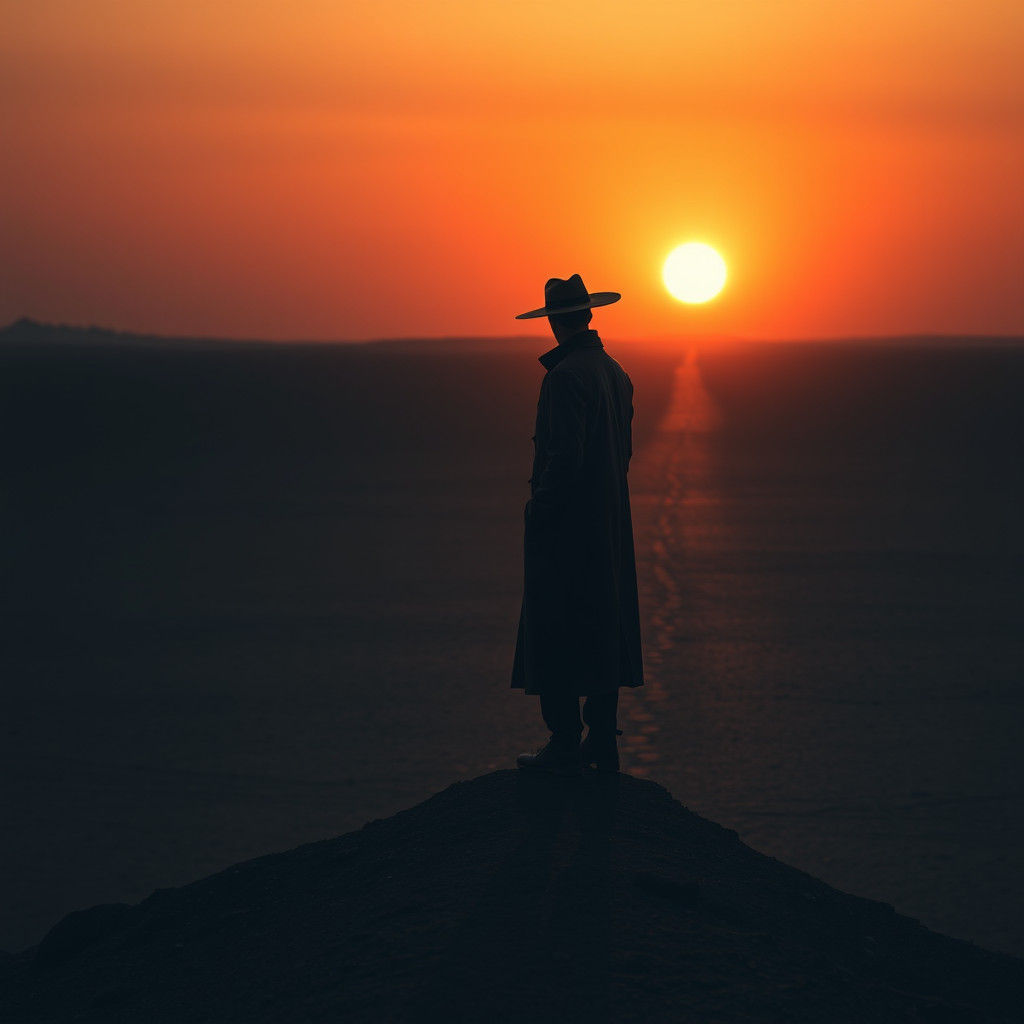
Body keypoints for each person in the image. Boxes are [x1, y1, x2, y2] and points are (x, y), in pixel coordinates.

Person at [510, 274, 644, 775]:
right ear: (587, 316)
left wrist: (540, 508)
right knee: (604, 621)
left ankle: (565, 741)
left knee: (556, 623)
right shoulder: (615, 371)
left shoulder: (565, 377)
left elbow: (564, 458)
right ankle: (602, 741)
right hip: (607, 521)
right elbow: (623, 453)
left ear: (555, 322)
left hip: (569, 525)